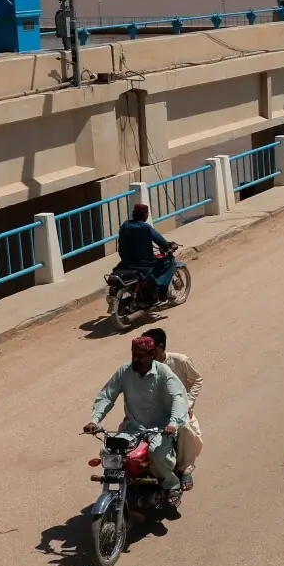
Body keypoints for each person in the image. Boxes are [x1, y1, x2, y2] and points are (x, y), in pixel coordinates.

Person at [85, 335, 189, 510]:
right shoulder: (124, 372)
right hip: (133, 427)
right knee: (108, 450)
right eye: (134, 354)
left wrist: (173, 423)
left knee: (157, 454)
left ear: (151, 355)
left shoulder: (163, 372)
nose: (136, 359)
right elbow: (107, 395)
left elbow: (178, 397)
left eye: (140, 355)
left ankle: (172, 485)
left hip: (161, 428)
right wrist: (94, 420)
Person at [145, 328, 203, 491]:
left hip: (179, 411)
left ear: (160, 347)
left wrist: (189, 403)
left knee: (184, 429)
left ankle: (184, 468)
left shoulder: (180, 360)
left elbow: (197, 380)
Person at [116, 203, 176, 298]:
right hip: (143, 263)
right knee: (170, 263)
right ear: (145, 215)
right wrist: (167, 247)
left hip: (126, 261)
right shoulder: (145, 228)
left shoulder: (125, 225)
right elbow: (160, 240)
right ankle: (162, 292)